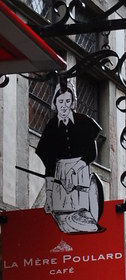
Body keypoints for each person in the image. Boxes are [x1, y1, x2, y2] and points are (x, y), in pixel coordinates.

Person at [35, 81, 104, 233]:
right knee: (63, 218)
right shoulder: (51, 127)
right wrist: (49, 195)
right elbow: (49, 165)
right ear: (55, 103)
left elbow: (90, 154)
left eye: (67, 101)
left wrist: (74, 170)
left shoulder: (84, 122)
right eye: (60, 101)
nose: (64, 105)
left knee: (84, 214)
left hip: (80, 172)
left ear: (73, 103)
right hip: (59, 176)